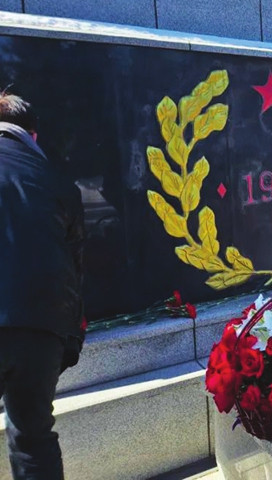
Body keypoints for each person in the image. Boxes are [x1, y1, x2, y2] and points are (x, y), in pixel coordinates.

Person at [0, 93, 85, 479]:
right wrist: (68, 343)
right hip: (41, 330)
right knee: (33, 438)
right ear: (32, 135)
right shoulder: (58, 182)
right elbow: (74, 268)